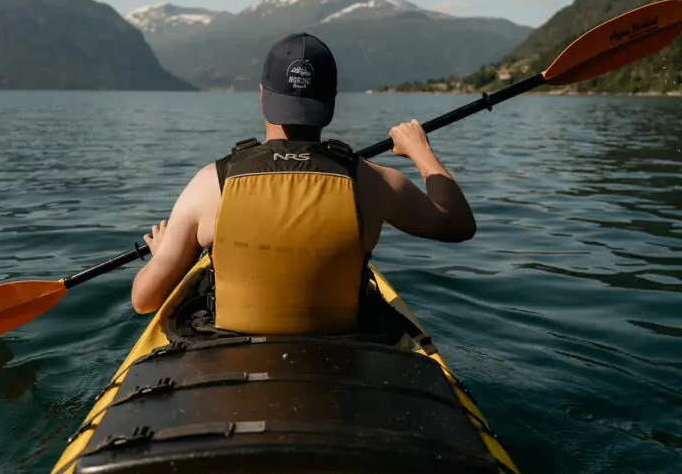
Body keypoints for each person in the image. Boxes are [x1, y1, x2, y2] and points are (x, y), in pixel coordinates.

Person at [131, 32, 476, 333]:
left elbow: (144, 300)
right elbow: (458, 224)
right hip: (342, 353)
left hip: (228, 357)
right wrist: (420, 150)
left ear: (263, 96)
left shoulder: (210, 184)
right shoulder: (374, 182)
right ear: (331, 102)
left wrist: (166, 257)